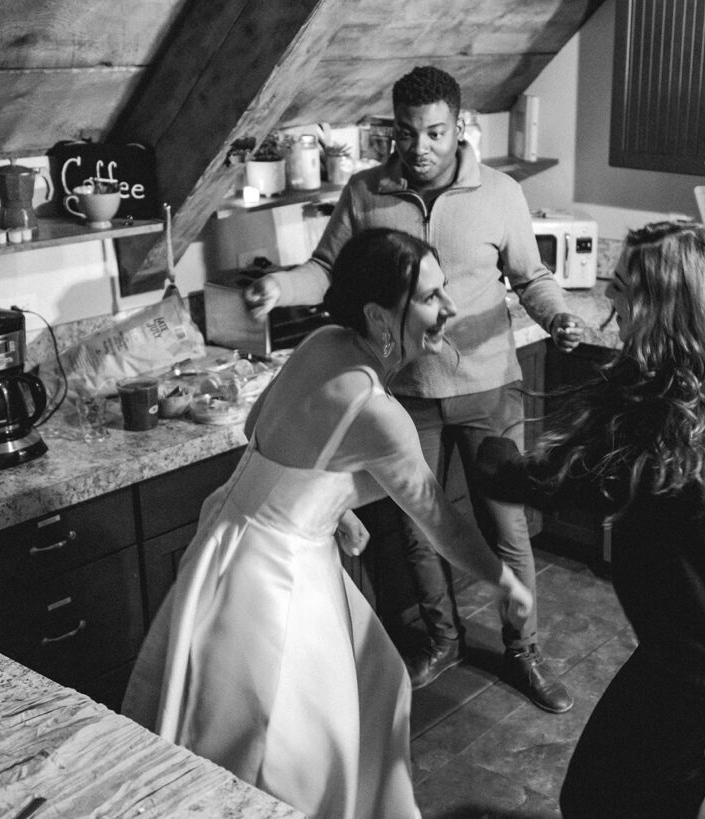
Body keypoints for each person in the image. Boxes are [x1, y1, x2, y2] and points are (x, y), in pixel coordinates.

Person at [122, 228, 533, 819]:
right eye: (430, 297)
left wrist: (327, 506)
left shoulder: (322, 342)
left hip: (229, 539)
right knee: (287, 747)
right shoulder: (377, 410)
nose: (449, 308)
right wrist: (503, 580)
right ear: (380, 316)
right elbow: (438, 518)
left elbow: (257, 430)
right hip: (275, 579)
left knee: (370, 681)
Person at [475, 221, 705, 817]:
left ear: (657, 306)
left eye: (619, 288)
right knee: (669, 757)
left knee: (592, 796)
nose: (609, 301)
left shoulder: (647, 415)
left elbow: (529, 482)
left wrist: (488, 447)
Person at [244, 65, 582, 713]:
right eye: (407, 132)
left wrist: (558, 315)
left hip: (488, 386)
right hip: (408, 389)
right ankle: (445, 637)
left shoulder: (501, 193)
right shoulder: (368, 192)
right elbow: (324, 270)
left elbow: (531, 276)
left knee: (504, 525)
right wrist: (276, 288)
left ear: (459, 126)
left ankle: (524, 648)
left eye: (433, 132)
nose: (419, 147)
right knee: (416, 519)